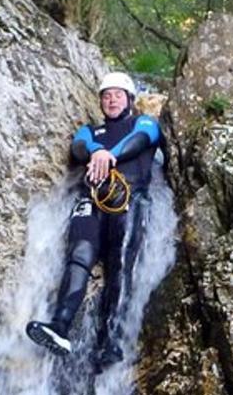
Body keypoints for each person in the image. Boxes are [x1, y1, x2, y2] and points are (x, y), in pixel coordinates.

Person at [26, 72, 162, 371]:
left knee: (121, 266)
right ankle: (60, 326)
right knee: (77, 257)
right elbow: (78, 147)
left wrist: (108, 156)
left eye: (117, 95)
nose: (111, 100)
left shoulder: (144, 123)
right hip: (91, 201)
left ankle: (111, 342)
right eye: (106, 95)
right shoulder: (90, 132)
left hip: (129, 201)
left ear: (129, 99)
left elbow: (143, 140)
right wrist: (96, 150)